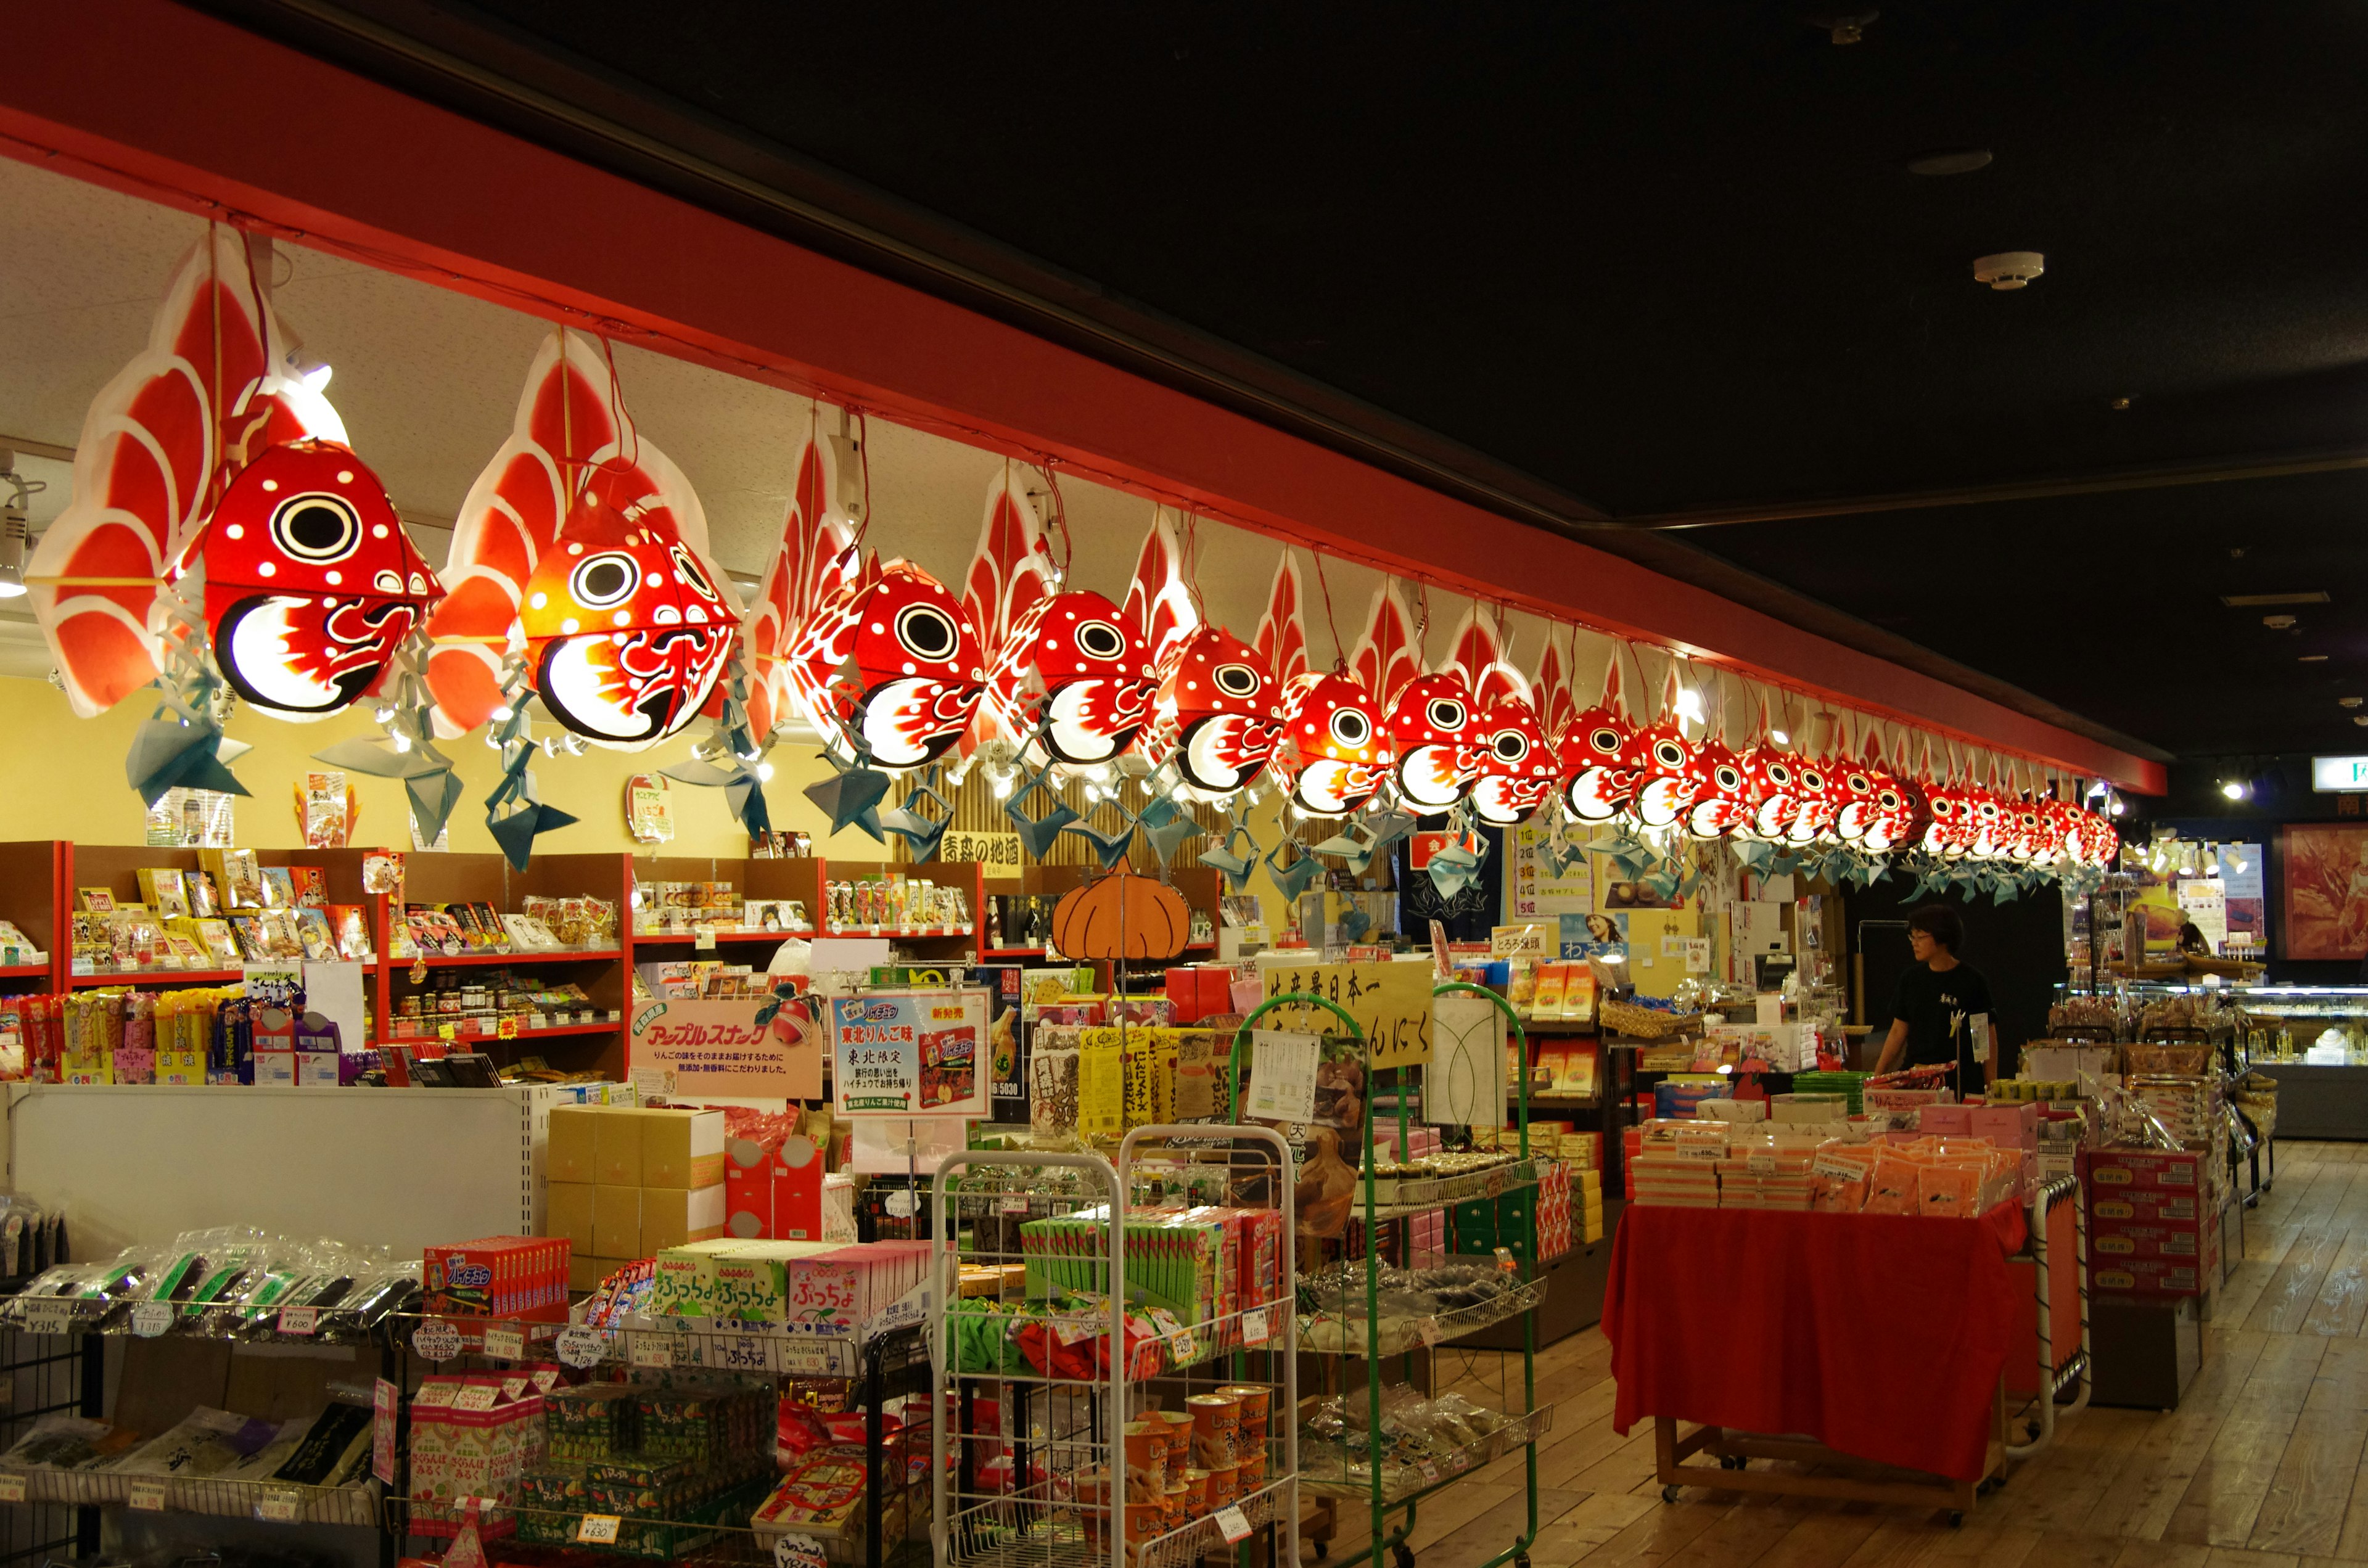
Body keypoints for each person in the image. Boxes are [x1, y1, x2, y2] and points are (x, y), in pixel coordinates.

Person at [1872, 905, 1996, 1088]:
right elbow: (1898, 1031)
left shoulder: (1972, 980)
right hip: (1918, 1078)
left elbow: (1985, 1037)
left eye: (1920, 937)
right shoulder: (1911, 979)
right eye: (1912, 936)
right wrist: (1878, 1077)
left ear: (1943, 937)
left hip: (1960, 1080)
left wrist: (1991, 1085)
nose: (1914, 942)